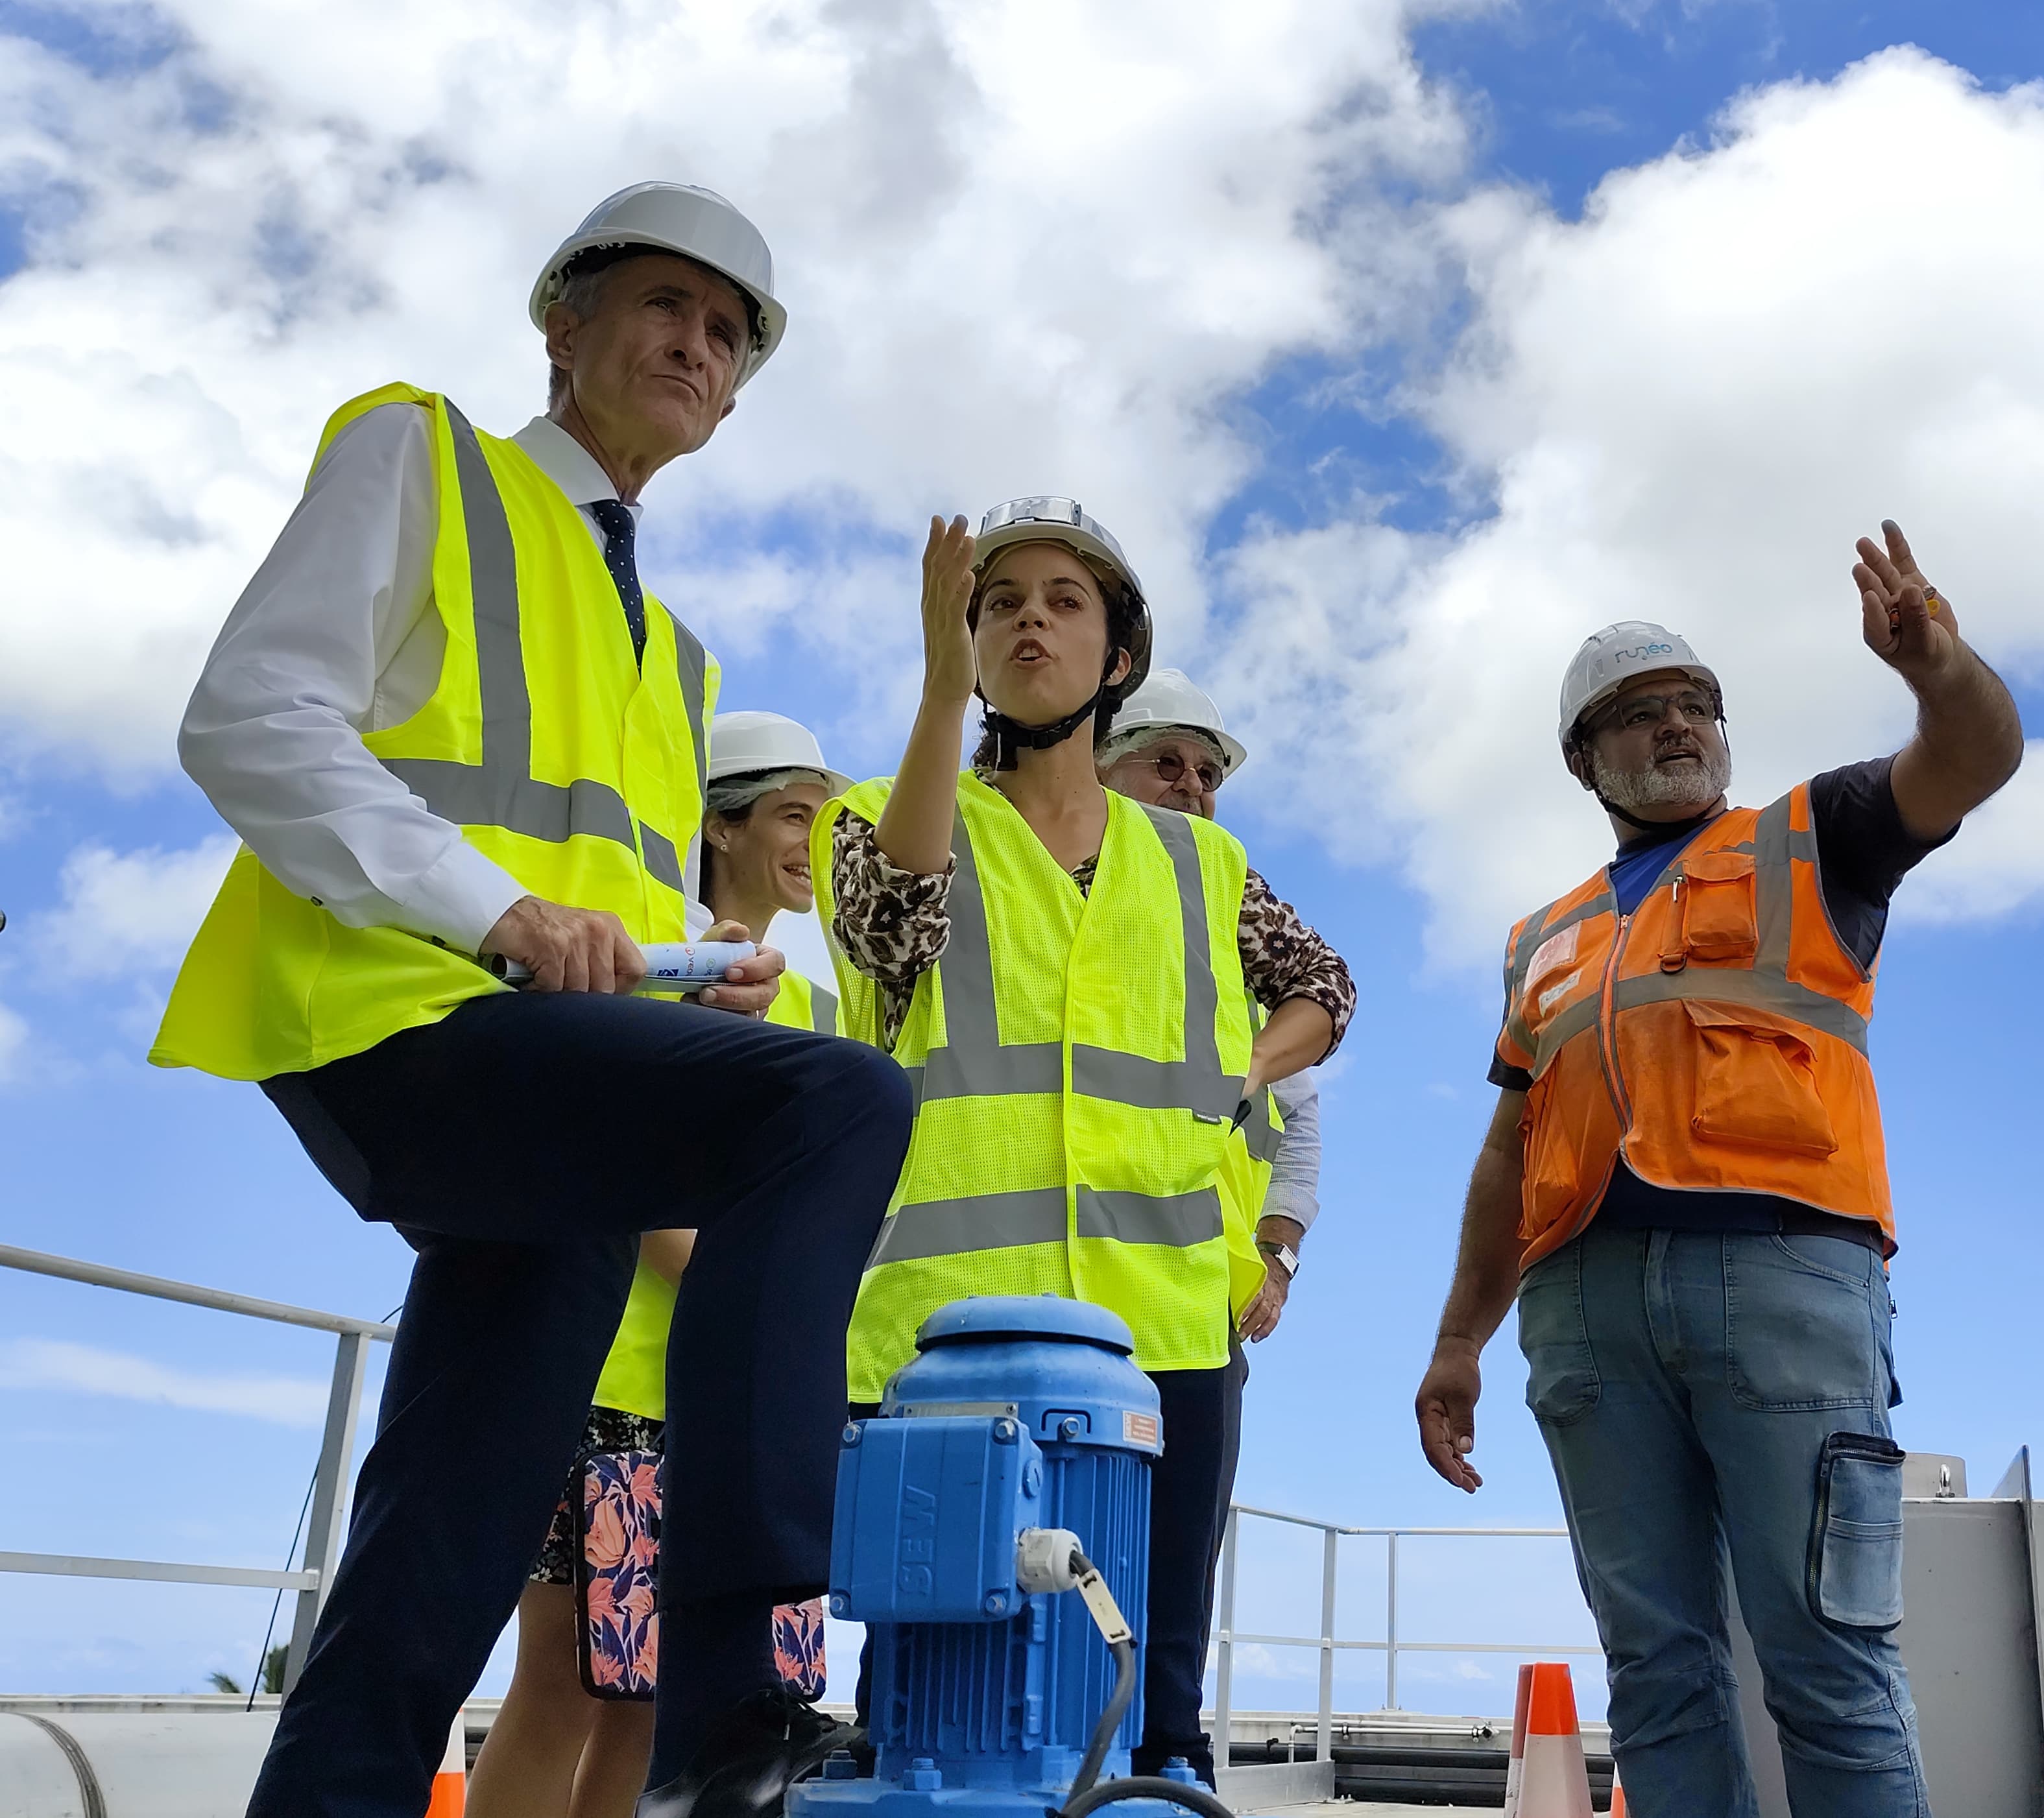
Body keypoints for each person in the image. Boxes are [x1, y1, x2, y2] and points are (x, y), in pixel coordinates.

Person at [151, 184, 914, 1818]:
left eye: (725, 334)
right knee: (835, 1099)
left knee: (454, 1526)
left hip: (546, 1081)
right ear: (559, 323)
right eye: (659, 305)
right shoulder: (419, 457)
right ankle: (735, 1694)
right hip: (396, 1016)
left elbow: (609, 908)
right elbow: (250, 718)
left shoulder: (672, 651)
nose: (693, 347)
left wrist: (693, 979)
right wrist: (492, 915)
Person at [1411, 524, 2023, 1818]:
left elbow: (1973, 758)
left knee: (1830, 1661)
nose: (1678, 727)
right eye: (1638, 716)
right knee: (1656, 1673)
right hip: (1583, 1315)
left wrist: (1936, 666)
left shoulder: (1819, 835)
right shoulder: (1543, 940)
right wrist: (1461, 1341)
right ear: (1586, 759)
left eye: (1696, 705)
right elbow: (1509, 1149)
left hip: (1788, 1285)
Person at [813, 503, 1356, 1790]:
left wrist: (1246, 1067)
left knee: (1155, 1712)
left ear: (1118, 658)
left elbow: (1325, 989)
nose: (1029, 619)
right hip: (953, 1339)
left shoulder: (1202, 863)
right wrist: (942, 704)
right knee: (941, 1701)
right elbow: (890, 927)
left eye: (1064, 599)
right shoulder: (880, 814)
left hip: (1163, 1325)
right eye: (998, 602)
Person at [466, 712, 854, 1818]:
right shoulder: (650, 951)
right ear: (717, 827)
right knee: (560, 1687)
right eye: (793, 815)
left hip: (734, 1401)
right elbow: (635, 1181)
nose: (815, 842)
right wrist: (778, 1303)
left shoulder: (814, 1005)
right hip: (617, 1382)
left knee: (664, 1706)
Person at [1096, 667, 1319, 1343]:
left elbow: (1299, 1121)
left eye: (1209, 773)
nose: (1192, 784)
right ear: (1097, 770)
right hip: (1062, 1276)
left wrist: (1277, 1258)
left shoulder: (1235, 946)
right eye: (1166, 761)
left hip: (1200, 1298)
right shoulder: (1058, 901)